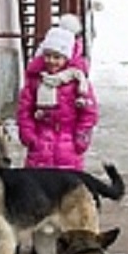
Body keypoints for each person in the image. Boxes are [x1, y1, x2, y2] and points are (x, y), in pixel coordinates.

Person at [17, 26, 99, 171]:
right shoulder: (36, 81)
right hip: (40, 144)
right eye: (47, 56)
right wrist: (29, 135)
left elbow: (89, 113)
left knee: (67, 188)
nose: (51, 61)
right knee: (39, 188)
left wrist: (81, 137)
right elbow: (25, 110)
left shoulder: (78, 82)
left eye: (57, 57)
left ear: (66, 59)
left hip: (69, 145)